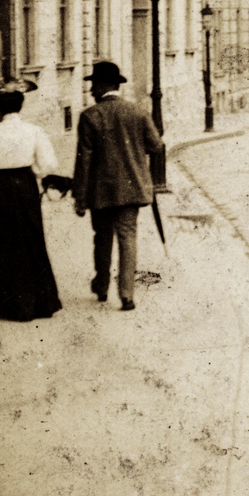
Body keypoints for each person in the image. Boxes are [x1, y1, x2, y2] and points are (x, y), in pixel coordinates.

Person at [0, 80, 62, 323]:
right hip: (26, 186)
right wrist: (35, 172)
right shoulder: (34, 131)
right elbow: (48, 163)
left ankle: (0, 303)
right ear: (21, 106)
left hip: (1, 189)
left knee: (1, 241)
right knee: (31, 238)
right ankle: (39, 302)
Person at [72, 61, 164, 312]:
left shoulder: (89, 116)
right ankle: (127, 295)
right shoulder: (138, 112)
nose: (91, 90)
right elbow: (156, 146)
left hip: (100, 191)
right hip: (132, 188)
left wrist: (79, 197)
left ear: (104, 86)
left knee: (102, 238)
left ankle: (102, 286)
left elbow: (84, 161)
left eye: (93, 85)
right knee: (128, 238)